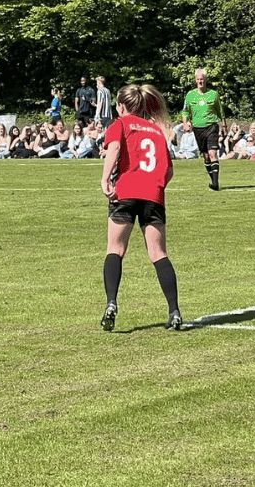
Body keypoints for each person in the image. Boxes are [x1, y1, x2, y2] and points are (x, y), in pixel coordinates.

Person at [99, 84, 181, 332]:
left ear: (121, 106)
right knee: (158, 253)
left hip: (125, 191)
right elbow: (169, 170)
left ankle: (111, 303)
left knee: (115, 249)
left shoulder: (120, 124)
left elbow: (113, 148)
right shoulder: (157, 130)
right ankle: (174, 311)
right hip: (153, 195)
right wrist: (157, 187)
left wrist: (104, 180)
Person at [180, 69, 227, 190]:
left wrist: (224, 127)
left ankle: (216, 184)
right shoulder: (190, 95)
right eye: (198, 79)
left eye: (202, 79)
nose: (200, 81)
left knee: (213, 153)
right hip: (198, 128)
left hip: (211, 126)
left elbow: (221, 112)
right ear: (196, 81)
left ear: (205, 80)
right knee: (206, 156)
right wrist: (185, 123)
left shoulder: (213, 94)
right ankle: (212, 180)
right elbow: (185, 111)